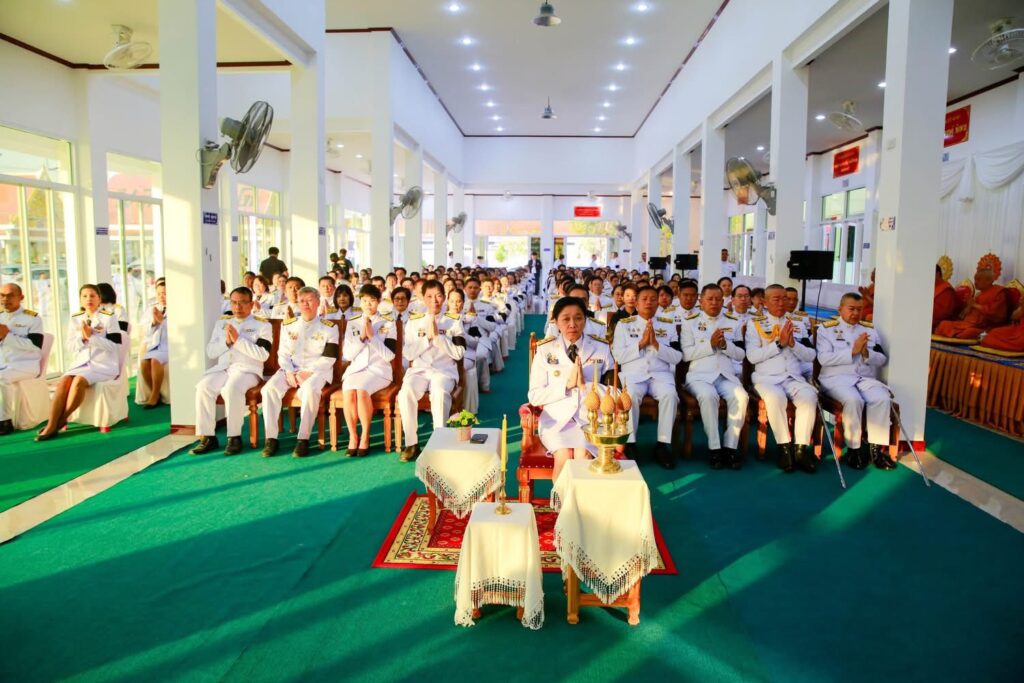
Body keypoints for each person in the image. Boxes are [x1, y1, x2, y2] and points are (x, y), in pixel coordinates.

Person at [529, 296, 613, 481]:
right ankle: (561, 500)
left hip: (590, 419)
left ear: (586, 320)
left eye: (578, 318)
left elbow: (614, 393)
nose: (572, 324)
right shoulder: (545, 350)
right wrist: (566, 385)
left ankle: (581, 500)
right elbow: (534, 396)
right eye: (566, 319)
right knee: (564, 456)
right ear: (556, 322)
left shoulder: (601, 348)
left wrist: (586, 386)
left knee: (583, 455)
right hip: (556, 420)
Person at [816, 292, 895, 470]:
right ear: (840, 309)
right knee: (853, 400)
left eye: (859, 309)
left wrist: (866, 352)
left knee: (882, 398)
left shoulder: (869, 330)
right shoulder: (826, 329)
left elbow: (882, 359)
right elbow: (823, 359)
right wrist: (853, 351)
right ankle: (854, 449)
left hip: (863, 379)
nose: (856, 313)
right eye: (851, 309)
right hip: (835, 379)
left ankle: (876, 450)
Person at [745, 284, 819, 473]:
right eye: (776, 299)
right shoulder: (755, 324)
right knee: (775, 397)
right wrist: (779, 344)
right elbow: (752, 356)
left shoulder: (798, 324)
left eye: (784, 298)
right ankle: (784, 448)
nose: (781, 302)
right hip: (766, 378)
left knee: (809, 396)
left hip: (792, 377)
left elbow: (811, 355)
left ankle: (800, 449)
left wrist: (793, 344)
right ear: (765, 302)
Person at [191, 287, 272, 455]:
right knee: (203, 387)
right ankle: (207, 437)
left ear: (251, 304)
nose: (237, 307)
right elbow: (211, 352)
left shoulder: (262, 325)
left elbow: (262, 355)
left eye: (242, 302)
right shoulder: (221, 323)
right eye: (234, 302)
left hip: (248, 370)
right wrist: (227, 343)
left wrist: (238, 340)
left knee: (231, 388)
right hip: (223, 368)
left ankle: (234, 437)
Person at [36, 285, 123, 441]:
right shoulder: (75, 318)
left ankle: (61, 420)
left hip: (103, 365)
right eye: (85, 296)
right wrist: (83, 338)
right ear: (80, 300)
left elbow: (115, 346)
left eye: (92, 296)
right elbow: (70, 346)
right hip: (81, 363)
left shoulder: (109, 317)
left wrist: (91, 338)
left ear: (99, 299)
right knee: (63, 382)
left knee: (78, 381)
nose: (89, 299)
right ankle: (52, 423)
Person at [261, 286, 340, 458]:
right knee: (268, 389)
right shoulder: (289, 325)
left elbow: (329, 357)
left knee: (310, 390)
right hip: (291, 368)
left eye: (310, 300)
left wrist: (309, 372)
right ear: (297, 303)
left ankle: (303, 439)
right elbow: (283, 354)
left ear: (318, 302)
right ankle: (271, 438)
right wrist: (289, 372)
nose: (306, 304)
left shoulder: (329, 327)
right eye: (302, 301)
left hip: (317, 371)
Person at [611, 285, 682, 469]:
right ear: (636, 302)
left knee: (670, 396)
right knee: (630, 396)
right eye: (644, 299)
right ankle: (630, 443)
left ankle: (662, 445)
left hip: (660, 376)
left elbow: (677, 357)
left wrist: (657, 345)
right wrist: (641, 343)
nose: (649, 302)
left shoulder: (668, 324)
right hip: (633, 376)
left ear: (658, 302)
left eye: (653, 299)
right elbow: (618, 357)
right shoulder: (624, 325)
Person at [396, 280, 466, 462]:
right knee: (405, 392)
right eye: (429, 296)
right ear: (422, 298)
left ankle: (439, 441)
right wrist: (427, 338)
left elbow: (459, 353)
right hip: (419, 370)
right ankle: (411, 443)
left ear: (444, 297)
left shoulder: (454, 321)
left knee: (439, 392)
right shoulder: (413, 322)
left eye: (438, 296)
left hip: (444, 371)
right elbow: (408, 353)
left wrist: (438, 338)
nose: (434, 300)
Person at [682, 284, 749, 470]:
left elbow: (741, 354)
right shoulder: (690, 322)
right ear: (701, 301)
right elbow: (686, 355)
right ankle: (715, 448)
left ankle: (730, 448)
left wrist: (726, 345)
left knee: (741, 396)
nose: (714, 303)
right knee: (708, 396)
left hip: (725, 375)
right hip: (699, 376)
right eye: (710, 299)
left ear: (723, 301)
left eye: (718, 299)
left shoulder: (733, 322)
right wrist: (710, 345)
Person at [339, 284, 396, 457]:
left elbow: (389, 356)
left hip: (379, 370)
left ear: (378, 302)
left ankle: (365, 436)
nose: (368, 304)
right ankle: (353, 436)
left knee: (362, 390)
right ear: (360, 302)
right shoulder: (352, 322)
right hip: (356, 369)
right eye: (364, 301)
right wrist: (362, 338)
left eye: (372, 300)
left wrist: (372, 337)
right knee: (349, 390)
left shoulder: (389, 322)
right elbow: (348, 355)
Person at [0, 283, 44, 435]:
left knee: (1, 377)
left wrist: (7, 335)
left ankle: (5, 421)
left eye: (10, 295)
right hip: (3, 363)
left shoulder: (32, 318)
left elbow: (35, 346)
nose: (5, 299)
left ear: (21, 297)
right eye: (2, 295)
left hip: (25, 365)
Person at [934, 268, 1008, 339]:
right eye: (975, 279)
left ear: (989, 281)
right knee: (943, 324)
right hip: (966, 324)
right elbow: (962, 316)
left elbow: (996, 314)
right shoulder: (978, 295)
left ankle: (957, 334)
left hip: (983, 326)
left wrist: (974, 305)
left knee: (968, 332)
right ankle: (956, 334)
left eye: (978, 279)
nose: (975, 282)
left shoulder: (998, 293)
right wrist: (968, 307)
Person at [139, 280, 168, 409]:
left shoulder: (178, 307)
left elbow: (179, 330)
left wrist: (163, 322)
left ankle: (154, 396)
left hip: (170, 346)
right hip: (155, 344)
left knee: (155, 360)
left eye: (165, 293)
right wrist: (154, 323)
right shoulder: (152, 307)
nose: (162, 296)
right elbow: (144, 330)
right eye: (159, 294)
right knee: (144, 362)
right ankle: (155, 393)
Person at [932, 265, 961, 331]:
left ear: (937, 273)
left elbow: (943, 313)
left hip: (936, 323)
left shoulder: (946, 290)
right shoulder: (931, 286)